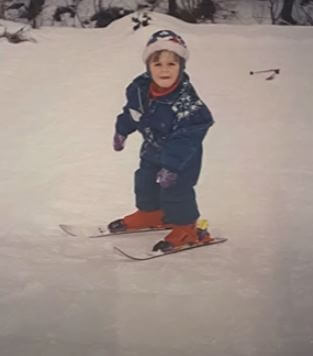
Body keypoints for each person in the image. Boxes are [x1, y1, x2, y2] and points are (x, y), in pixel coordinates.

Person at [109, 30, 214, 252]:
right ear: (148, 67)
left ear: (181, 67)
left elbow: (188, 137)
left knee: (176, 190)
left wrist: (172, 166)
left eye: (171, 64)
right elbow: (132, 113)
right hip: (152, 149)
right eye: (157, 64)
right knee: (144, 181)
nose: (164, 69)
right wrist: (122, 131)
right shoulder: (141, 91)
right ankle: (151, 213)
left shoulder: (187, 103)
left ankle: (186, 227)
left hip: (181, 159)